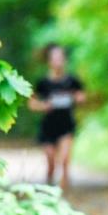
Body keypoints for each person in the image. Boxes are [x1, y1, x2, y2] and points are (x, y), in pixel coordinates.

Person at [28, 43, 86, 188]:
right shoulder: (42, 83)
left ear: (65, 60)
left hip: (66, 124)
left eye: (60, 58)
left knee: (65, 159)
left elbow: (82, 97)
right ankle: (49, 187)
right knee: (51, 162)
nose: (58, 61)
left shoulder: (72, 81)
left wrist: (76, 98)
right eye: (55, 58)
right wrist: (44, 106)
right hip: (48, 126)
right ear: (49, 61)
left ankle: (64, 192)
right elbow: (31, 103)